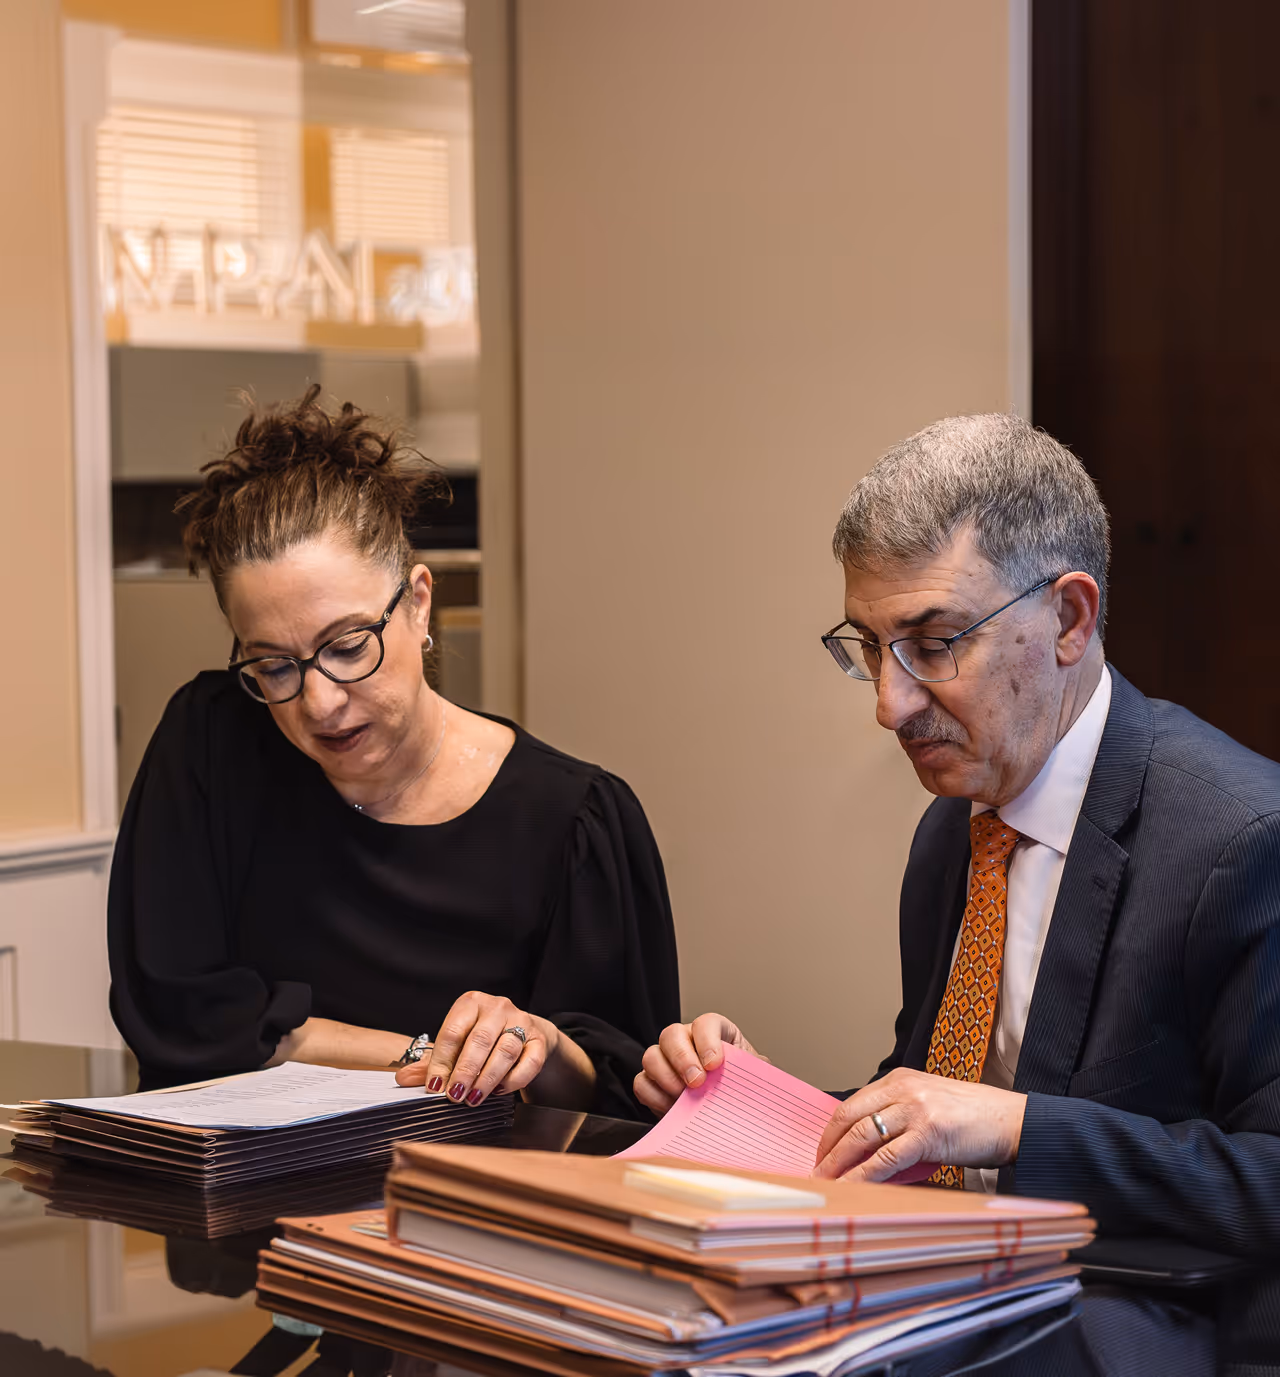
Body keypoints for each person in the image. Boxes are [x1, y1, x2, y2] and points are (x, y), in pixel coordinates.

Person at [637, 414, 1280, 1372]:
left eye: (934, 643)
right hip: (948, 1291)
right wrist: (748, 1093)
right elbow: (938, 1104)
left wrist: (1015, 1124)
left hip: (1127, 1322)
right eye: (869, 645)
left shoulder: (1241, 837)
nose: (888, 704)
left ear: (1069, 619)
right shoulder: (957, 829)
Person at [108, 386, 679, 1119]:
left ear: (418, 603)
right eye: (274, 665)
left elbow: (621, 1099)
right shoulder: (212, 743)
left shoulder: (573, 822)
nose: (318, 703)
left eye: (348, 646)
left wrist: (531, 1044)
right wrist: (427, 1056)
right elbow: (176, 1014)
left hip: (465, 1219)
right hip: (231, 1218)